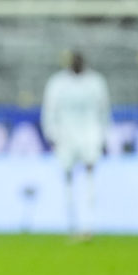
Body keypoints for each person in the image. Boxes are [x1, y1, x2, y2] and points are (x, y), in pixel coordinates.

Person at [41, 50, 111, 240]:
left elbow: (104, 111)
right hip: (66, 137)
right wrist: (51, 134)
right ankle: (71, 223)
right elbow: (49, 110)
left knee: (90, 176)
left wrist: (103, 136)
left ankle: (89, 225)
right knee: (68, 178)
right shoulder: (57, 83)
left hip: (90, 135)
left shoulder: (96, 82)